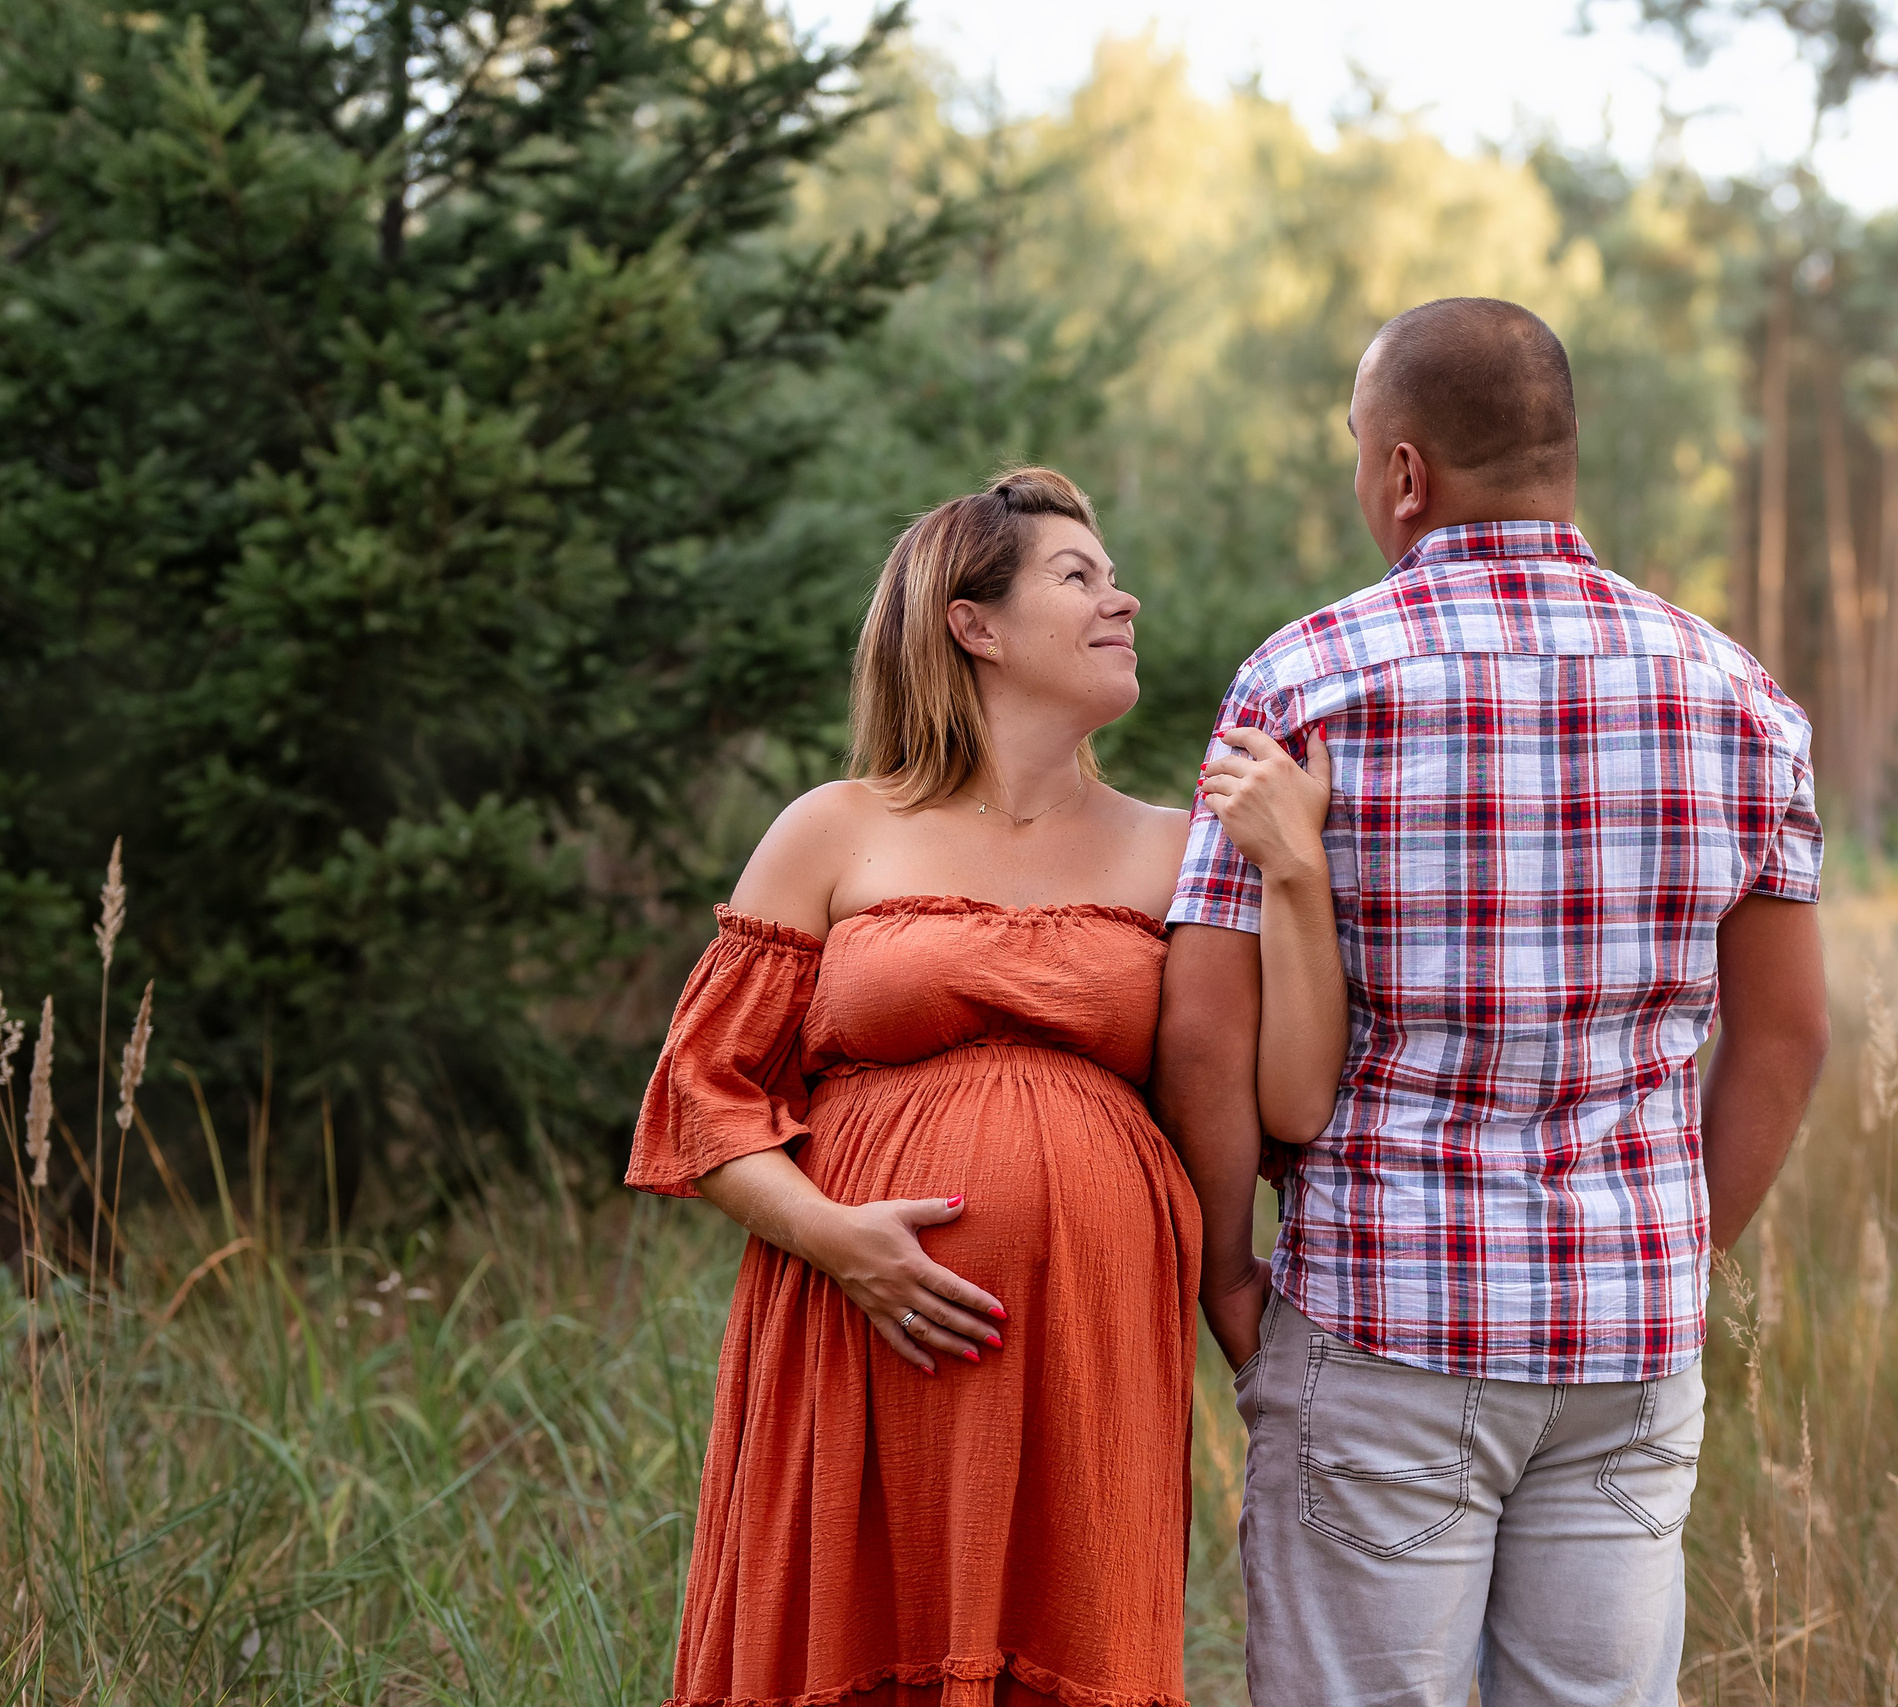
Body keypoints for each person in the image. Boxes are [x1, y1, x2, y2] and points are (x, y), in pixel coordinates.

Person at [1155, 298, 1832, 1707]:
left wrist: (1227, 1269)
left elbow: (1210, 1022)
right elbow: (1786, 1031)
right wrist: (1677, 1256)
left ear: (1404, 472)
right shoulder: (1739, 696)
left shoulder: (1310, 678)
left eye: (1359, 453)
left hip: (1382, 1314)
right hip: (1627, 1331)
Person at [624, 467, 1339, 1707]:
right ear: (974, 623)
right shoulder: (836, 828)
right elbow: (704, 1095)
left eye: (1112, 577)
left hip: (1087, 1339)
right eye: (1080, 577)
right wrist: (837, 1239)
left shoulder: (1177, 846)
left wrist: (1295, 878)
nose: (1123, 602)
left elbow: (1286, 1098)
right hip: (857, 1322)